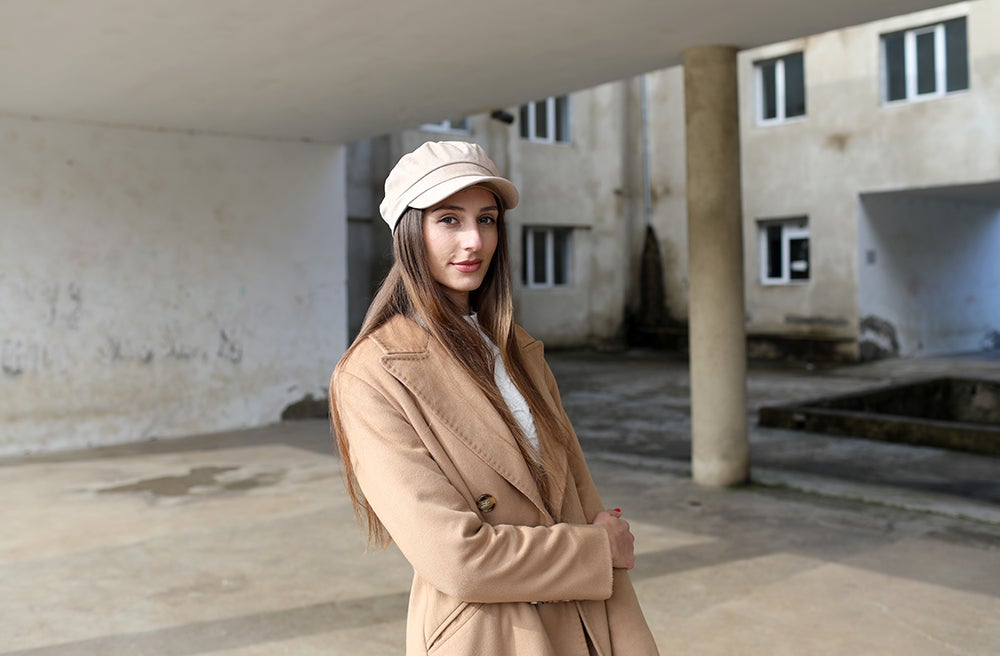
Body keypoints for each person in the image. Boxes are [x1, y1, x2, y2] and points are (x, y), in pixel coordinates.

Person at [329, 140, 659, 655]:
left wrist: (601, 548)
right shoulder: (372, 375)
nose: (473, 241)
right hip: (494, 633)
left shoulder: (519, 349)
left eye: (487, 219)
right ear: (409, 234)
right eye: (448, 220)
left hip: (592, 617)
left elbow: (582, 497)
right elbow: (456, 559)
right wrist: (595, 551)